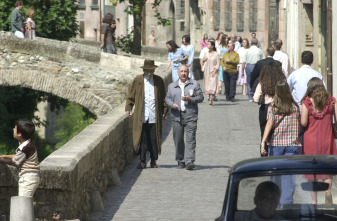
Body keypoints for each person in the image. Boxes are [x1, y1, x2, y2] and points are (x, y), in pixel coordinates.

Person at [261, 80, 301, 206]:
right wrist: (295, 134)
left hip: (276, 144)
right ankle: (287, 201)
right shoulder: (294, 107)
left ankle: (275, 202)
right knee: (289, 175)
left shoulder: (273, 108)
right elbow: (299, 125)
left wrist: (263, 142)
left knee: (275, 175)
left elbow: (269, 124)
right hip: (292, 144)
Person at [125, 59, 168, 169]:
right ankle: (142, 161)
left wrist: (165, 111)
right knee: (142, 139)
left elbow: (163, 97)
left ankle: (153, 160)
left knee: (154, 139)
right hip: (141, 116)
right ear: (144, 70)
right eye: (147, 71)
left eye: (151, 71)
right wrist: (128, 107)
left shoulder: (158, 81)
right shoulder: (138, 80)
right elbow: (131, 95)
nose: (149, 73)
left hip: (154, 115)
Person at [300, 77, 337, 205]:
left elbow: (303, 122)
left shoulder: (307, 102)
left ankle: (314, 201)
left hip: (310, 140)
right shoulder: (332, 101)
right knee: (327, 167)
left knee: (312, 171)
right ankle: (327, 192)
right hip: (327, 138)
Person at [165, 65, 204, 170]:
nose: (183, 73)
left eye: (185, 71)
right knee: (178, 140)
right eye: (181, 71)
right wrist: (171, 104)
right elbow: (167, 98)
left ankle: (189, 161)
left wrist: (190, 99)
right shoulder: (171, 86)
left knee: (190, 139)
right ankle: (180, 160)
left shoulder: (194, 84)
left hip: (191, 115)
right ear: (178, 73)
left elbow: (201, 97)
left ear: (188, 73)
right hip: (177, 116)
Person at [0, 119, 40, 197]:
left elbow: (13, 161)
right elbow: (18, 156)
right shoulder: (28, 143)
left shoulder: (25, 148)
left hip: (28, 179)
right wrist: (4, 156)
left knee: (23, 202)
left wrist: (1, 160)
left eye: (15, 128)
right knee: (25, 202)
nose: (13, 129)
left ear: (19, 134)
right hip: (31, 178)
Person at [253, 62, 286, 157]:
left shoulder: (262, 82)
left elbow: (255, 98)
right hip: (279, 109)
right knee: (277, 134)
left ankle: (264, 155)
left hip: (265, 109)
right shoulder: (282, 81)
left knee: (264, 134)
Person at [217, 181, 281, 221]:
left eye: (273, 199)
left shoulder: (281, 219)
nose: (270, 203)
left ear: (277, 202)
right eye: (265, 199)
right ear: (256, 201)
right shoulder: (243, 217)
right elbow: (220, 219)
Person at [202, 40, 220, 105]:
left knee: (212, 84)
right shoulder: (206, 53)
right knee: (208, 85)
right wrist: (204, 59)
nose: (208, 45)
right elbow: (202, 61)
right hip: (207, 71)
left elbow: (218, 64)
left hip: (213, 70)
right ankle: (210, 97)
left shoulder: (216, 54)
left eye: (209, 44)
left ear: (212, 46)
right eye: (207, 44)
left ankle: (210, 98)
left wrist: (215, 71)